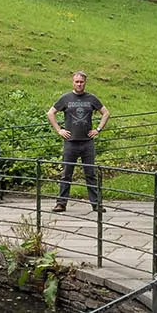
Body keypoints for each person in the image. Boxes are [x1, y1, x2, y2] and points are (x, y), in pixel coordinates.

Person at [47, 71, 108, 213]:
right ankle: (61, 203)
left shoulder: (91, 98)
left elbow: (106, 113)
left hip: (87, 142)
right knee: (66, 173)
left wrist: (98, 129)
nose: (79, 84)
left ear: (85, 82)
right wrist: (59, 130)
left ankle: (96, 204)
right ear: (73, 82)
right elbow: (51, 113)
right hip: (70, 142)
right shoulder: (65, 98)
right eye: (77, 82)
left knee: (90, 174)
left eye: (81, 82)